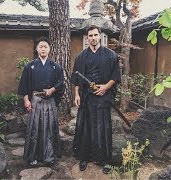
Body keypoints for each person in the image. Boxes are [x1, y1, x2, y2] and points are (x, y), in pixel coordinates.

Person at [70, 25, 121, 174]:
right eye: (90, 36)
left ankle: (104, 160)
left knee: (103, 127)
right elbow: (76, 78)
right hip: (86, 97)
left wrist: (105, 87)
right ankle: (84, 157)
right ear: (87, 38)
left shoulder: (111, 55)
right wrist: (77, 95)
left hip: (103, 96)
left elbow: (116, 76)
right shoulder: (81, 56)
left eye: (95, 35)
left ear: (100, 36)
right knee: (84, 127)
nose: (93, 38)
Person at [18, 36, 65, 166]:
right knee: (35, 128)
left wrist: (53, 89)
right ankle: (33, 156)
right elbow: (24, 85)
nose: (43, 49)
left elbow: (61, 82)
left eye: (45, 46)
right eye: (41, 46)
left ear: (50, 49)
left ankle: (49, 156)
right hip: (35, 100)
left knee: (49, 128)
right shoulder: (30, 66)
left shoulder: (56, 67)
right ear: (36, 49)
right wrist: (26, 100)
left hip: (49, 100)